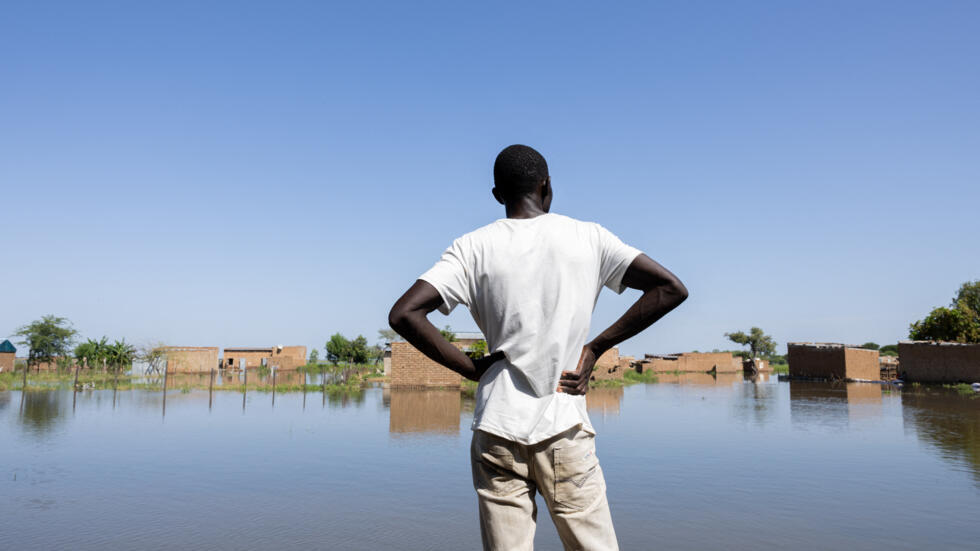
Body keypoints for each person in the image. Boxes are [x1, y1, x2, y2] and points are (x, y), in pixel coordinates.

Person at [389, 144, 688, 550]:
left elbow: (404, 314)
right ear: (547, 186)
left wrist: (470, 368)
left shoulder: (471, 248)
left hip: (497, 427)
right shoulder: (589, 237)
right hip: (563, 424)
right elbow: (671, 289)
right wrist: (596, 348)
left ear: (497, 196)